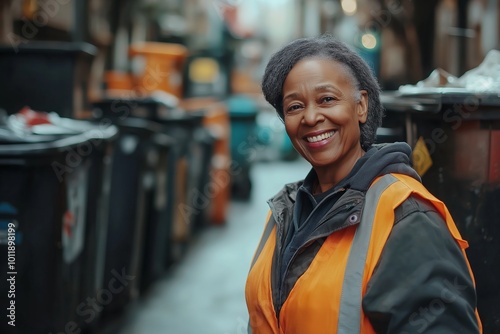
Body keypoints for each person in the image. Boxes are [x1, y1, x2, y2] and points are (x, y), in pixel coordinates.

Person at [245, 35, 482, 334]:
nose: (311, 117)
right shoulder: (285, 211)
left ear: (361, 106)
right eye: (294, 107)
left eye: (327, 99)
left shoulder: (406, 219)